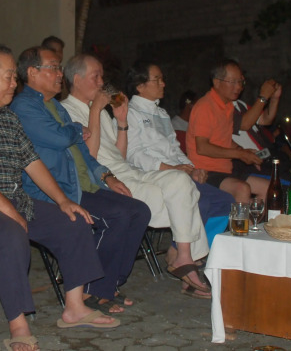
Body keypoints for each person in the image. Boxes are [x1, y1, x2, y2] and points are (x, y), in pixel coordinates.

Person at [0, 42, 119, 351]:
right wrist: (11, 213)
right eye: (8, 76)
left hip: (13, 199)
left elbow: (32, 162)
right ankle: (18, 324)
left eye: (14, 77)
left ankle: (75, 308)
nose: (14, 83)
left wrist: (63, 201)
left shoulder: (7, 117)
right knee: (11, 234)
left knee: (72, 221)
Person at [10, 47, 151, 313]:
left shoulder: (53, 106)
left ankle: (109, 283)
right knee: (117, 216)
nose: (59, 73)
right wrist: (76, 128)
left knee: (139, 211)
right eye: (53, 67)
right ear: (32, 72)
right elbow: (59, 138)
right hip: (55, 190)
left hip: (81, 183)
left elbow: (83, 153)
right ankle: (93, 289)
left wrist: (106, 175)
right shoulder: (24, 106)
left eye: (59, 67)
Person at [61, 54, 213, 299]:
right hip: (102, 177)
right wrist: (96, 109)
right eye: (96, 77)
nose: (101, 83)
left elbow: (120, 155)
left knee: (180, 181)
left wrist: (121, 122)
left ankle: (184, 255)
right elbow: (91, 157)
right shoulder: (66, 111)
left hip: (126, 170)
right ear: (77, 80)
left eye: (102, 76)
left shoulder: (100, 112)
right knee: (182, 199)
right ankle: (186, 262)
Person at [123, 61, 234, 230]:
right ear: (140, 86)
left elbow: (174, 148)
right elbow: (133, 154)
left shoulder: (161, 114)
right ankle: (182, 246)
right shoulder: (129, 113)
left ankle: (206, 244)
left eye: (162, 79)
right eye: (157, 79)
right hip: (153, 177)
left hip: (177, 174)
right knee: (201, 202)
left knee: (226, 202)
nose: (163, 84)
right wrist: (171, 168)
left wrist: (191, 168)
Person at [185, 59, 270, 203]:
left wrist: (244, 152)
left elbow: (223, 139)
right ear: (217, 82)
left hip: (226, 169)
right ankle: (242, 218)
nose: (239, 87)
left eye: (241, 82)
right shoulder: (205, 107)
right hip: (204, 172)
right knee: (242, 189)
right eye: (233, 82)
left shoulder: (228, 106)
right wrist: (239, 154)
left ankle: (250, 217)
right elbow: (202, 147)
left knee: (268, 188)